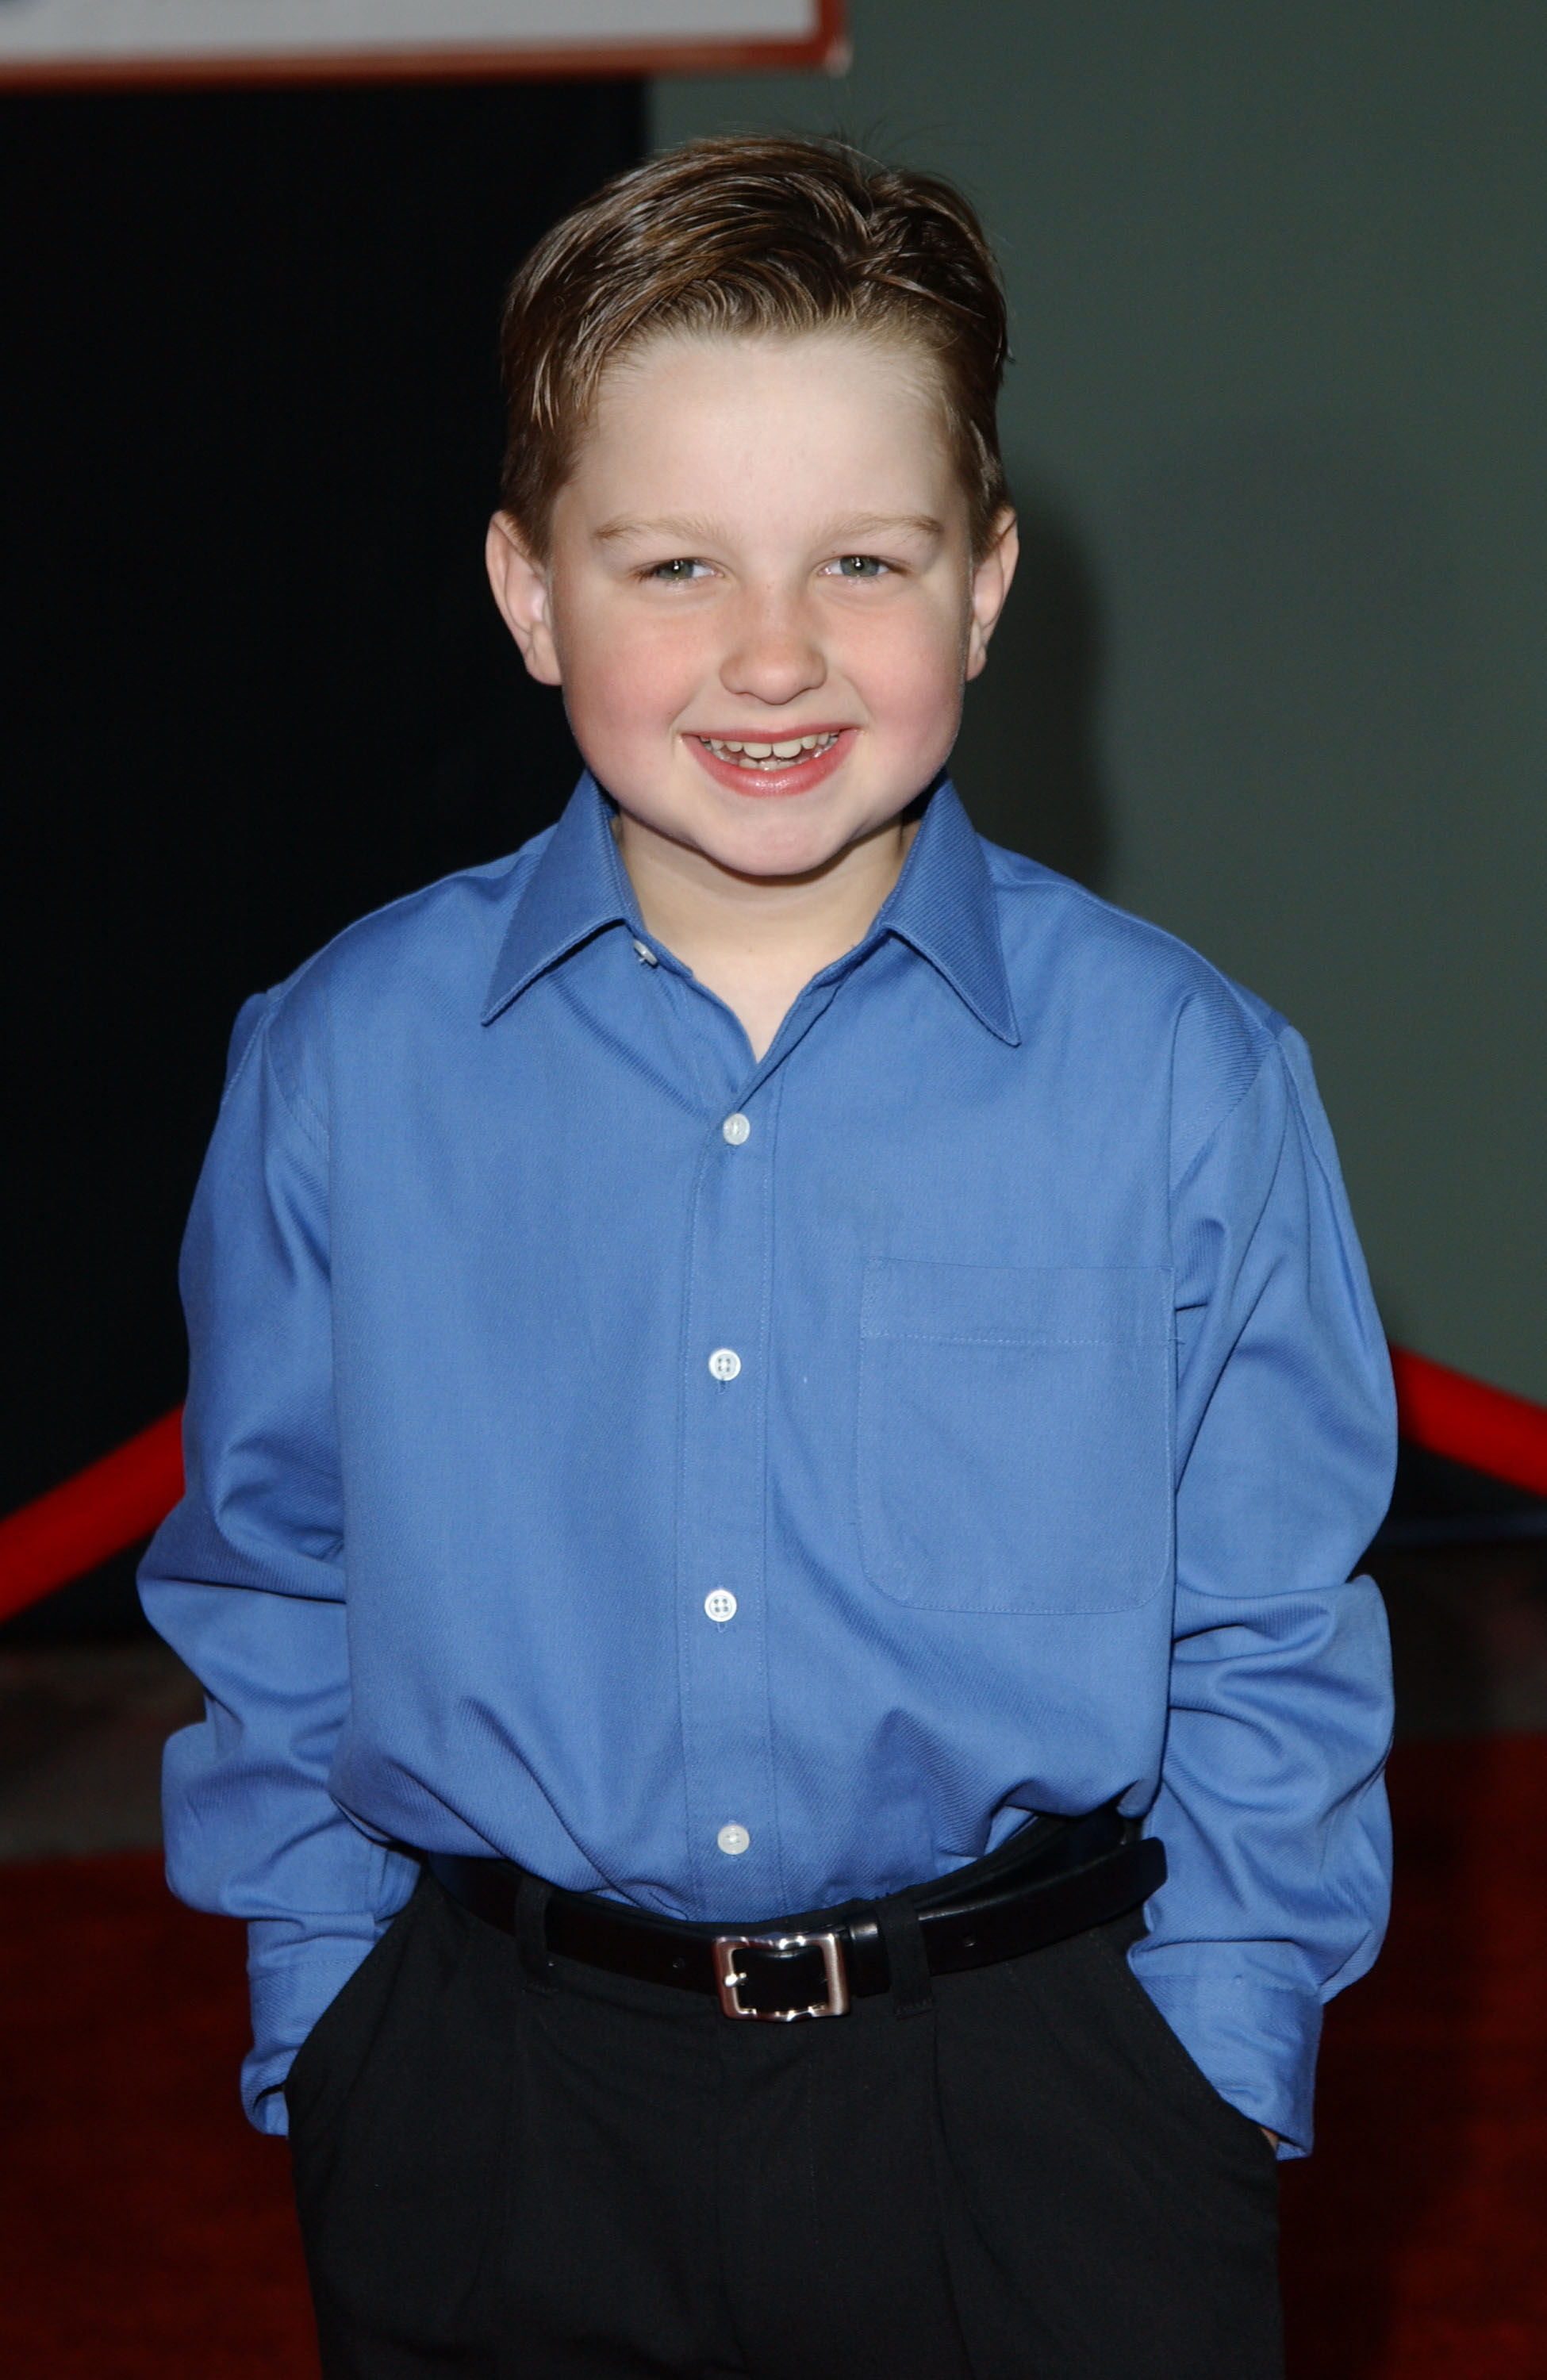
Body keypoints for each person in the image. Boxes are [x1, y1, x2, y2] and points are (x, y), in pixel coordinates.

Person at [140, 135, 1395, 2379]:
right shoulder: (343, 1061)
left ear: (988, 587)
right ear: (530, 595)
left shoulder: (1186, 1075)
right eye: (674, 564)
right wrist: (335, 2020)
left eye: (866, 561)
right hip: (493, 2105)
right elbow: (270, 1565)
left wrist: (1213, 2062)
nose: (776, 653)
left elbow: (1276, 1621)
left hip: (1038, 2110)